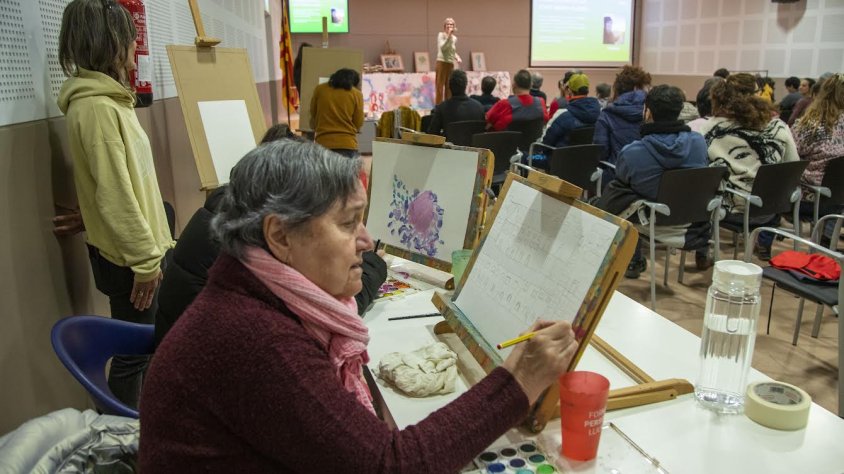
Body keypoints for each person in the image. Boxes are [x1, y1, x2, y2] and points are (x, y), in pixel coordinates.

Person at [139, 139, 579, 471]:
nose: (366, 241)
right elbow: (390, 465)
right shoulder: (255, 338)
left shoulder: (249, 294)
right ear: (280, 236)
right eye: (349, 223)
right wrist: (518, 381)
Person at [154, 125, 388, 347]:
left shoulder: (233, 216)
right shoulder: (245, 254)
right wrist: (373, 266)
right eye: (347, 223)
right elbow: (322, 310)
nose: (366, 240)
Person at [57, 0, 175, 409]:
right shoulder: (96, 108)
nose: (134, 45)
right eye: (128, 37)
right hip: (131, 260)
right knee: (132, 356)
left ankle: (146, 423)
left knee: (145, 348)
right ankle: (122, 432)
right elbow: (115, 193)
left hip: (139, 252)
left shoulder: (108, 102)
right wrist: (144, 262)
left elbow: (116, 182)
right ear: (108, 43)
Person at [600, 85, 709, 278]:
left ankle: (630, 261)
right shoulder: (699, 143)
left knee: (618, 193)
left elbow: (622, 180)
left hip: (651, 220)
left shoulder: (632, 152)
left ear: (647, 112)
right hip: (690, 222)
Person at [699, 73, 799, 261]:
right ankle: (764, 243)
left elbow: (700, 172)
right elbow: (792, 166)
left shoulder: (708, 129)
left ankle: (704, 252)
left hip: (726, 210)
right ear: (758, 96)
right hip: (770, 209)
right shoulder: (779, 127)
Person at [792, 73, 844, 245]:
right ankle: (827, 236)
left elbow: (791, 156)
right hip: (838, 197)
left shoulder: (810, 125)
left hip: (811, 197)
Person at [593, 65, 652, 186]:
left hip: (617, 179)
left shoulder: (606, 115)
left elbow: (600, 152)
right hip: (649, 179)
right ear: (637, 88)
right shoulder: (652, 113)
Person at [309, 67, 364, 158]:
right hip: (347, 145)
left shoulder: (320, 89)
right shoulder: (356, 94)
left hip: (322, 144)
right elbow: (358, 122)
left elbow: (313, 112)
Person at [540, 73, 601, 150]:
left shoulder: (561, 114)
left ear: (569, 91)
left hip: (559, 157)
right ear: (587, 90)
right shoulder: (600, 113)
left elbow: (545, 144)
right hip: (588, 157)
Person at [427, 69, 485, 136]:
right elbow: (482, 133)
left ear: (449, 86)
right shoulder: (479, 107)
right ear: (465, 85)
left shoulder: (441, 108)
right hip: (473, 143)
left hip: (450, 142)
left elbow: (432, 134)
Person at [434, 17, 462, 104]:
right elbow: (443, 48)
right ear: (444, 26)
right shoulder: (441, 35)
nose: (449, 26)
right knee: (439, 86)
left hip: (450, 63)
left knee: (449, 86)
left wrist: (457, 56)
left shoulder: (454, 38)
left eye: (451, 24)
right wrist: (449, 36)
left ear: (454, 26)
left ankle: (448, 105)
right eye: (448, 24)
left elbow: (451, 50)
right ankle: (438, 106)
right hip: (441, 62)